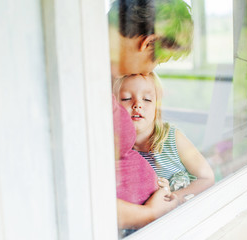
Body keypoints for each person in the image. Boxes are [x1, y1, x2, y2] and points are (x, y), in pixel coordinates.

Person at [108, 0, 194, 231]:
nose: (148, 72)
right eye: (156, 61)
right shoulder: (83, 84)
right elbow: (81, 193)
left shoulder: (105, 82)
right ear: (149, 43)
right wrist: (150, 213)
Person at [114, 73, 215, 205]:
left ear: (157, 107)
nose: (137, 104)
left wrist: (175, 197)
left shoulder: (173, 138)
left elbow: (207, 178)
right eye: (126, 98)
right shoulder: (115, 149)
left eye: (147, 99)